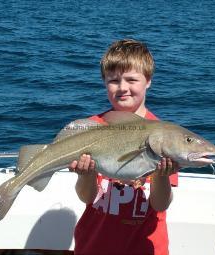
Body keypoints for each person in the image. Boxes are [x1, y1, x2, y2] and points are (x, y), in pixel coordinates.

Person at [68, 39, 179, 255]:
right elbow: (87, 198)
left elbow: (160, 205)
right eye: (114, 80)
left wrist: (162, 175)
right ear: (104, 82)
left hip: (146, 249)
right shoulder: (89, 128)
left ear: (148, 80)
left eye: (131, 79)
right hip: (94, 246)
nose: (123, 88)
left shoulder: (163, 136)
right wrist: (85, 175)